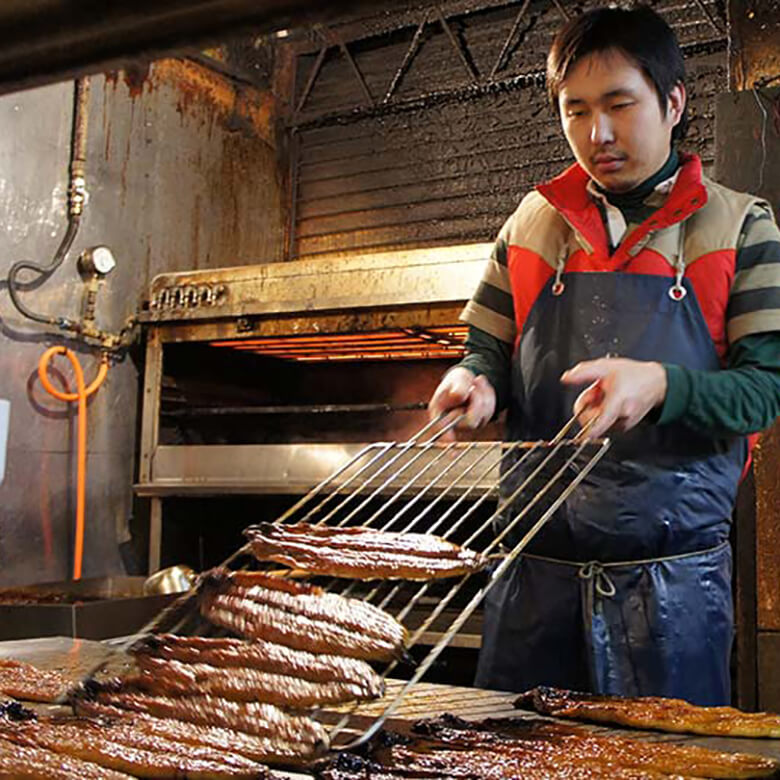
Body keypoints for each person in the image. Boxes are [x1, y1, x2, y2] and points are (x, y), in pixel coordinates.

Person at [428, 5, 780, 706]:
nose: (598, 134)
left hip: (672, 589)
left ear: (673, 103)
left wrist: (660, 385)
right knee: (514, 750)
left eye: (620, 105)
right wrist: (475, 382)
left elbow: (764, 391)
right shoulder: (532, 223)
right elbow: (486, 350)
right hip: (533, 582)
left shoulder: (742, 227)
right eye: (576, 110)